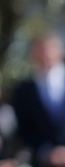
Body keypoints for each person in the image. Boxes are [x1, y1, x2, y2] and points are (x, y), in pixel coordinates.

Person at [13, 32, 65, 166]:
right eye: (41, 50)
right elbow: (23, 129)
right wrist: (45, 151)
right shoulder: (23, 90)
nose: (46, 55)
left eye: (50, 49)